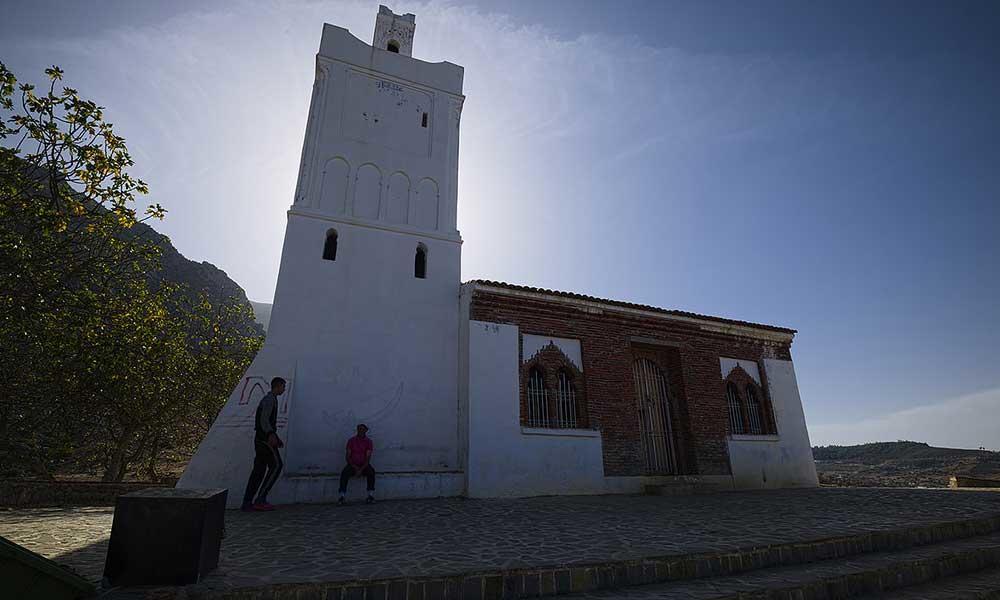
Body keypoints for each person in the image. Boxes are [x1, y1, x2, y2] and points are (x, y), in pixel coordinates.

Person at [241, 377, 286, 511]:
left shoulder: (270, 399)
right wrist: (271, 435)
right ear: (277, 386)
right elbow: (264, 420)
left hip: (261, 439)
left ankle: (247, 502)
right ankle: (260, 498)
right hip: (265, 440)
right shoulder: (270, 400)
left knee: (258, 471)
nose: (284, 389)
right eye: (283, 386)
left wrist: (276, 437)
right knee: (277, 465)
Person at [338, 423, 375, 505]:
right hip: (352, 465)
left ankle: (370, 495)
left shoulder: (369, 442)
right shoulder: (351, 441)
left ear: (366, 431)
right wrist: (355, 468)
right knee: (344, 473)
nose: (361, 431)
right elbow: (348, 456)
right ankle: (342, 496)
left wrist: (361, 469)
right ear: (357, 430)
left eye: (363, 429)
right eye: (359, 429)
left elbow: (368, 458)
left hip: (364, 465)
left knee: (371, 472)